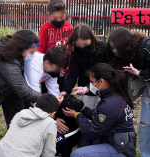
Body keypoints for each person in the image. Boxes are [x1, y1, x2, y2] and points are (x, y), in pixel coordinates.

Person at [63, 63, 136, 157]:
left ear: (101, 81)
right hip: (118, 141)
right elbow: (98, 117)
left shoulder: (109, 104)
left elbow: (92, 132)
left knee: (77, 154)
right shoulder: (114, 94)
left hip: (121, 149)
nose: (91, 85)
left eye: (92, 82)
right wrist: (83, 109)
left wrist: (77, 115)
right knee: (83, 141)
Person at [105, 28, 150, 157]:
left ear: (124, 44)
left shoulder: (146, 47)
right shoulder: (126, 54)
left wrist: (139, 73)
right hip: (144, 81)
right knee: (145, 123)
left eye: (116, 48)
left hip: (145, 77)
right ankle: (146, 154)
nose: (115, 52)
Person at [59, 24, 106, 136]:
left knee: (102, 116)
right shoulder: (76, 54)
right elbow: (72, 75)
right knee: (87, 115)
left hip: (104, 88)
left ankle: (103, 137)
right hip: (84, 89)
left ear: (91, 39)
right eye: (79, 45)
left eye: (85, 44)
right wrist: (66, 91)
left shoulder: (104, 48)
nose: (82, 47)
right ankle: (87, 138)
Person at [0, 93, 61, 157]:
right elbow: (48, 153)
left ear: (35, 105)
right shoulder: (50, 124)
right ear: (53, 113)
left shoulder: (20, 113)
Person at [37, 0, 73, 93]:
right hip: (49, 71)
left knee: (62, 95)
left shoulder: (69, 27)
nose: (58, 20)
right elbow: (40, 52)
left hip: (63, 71)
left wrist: (66, 70)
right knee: (47, 98)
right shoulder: (45, 28)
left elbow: (69, 50)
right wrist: (52, 69)